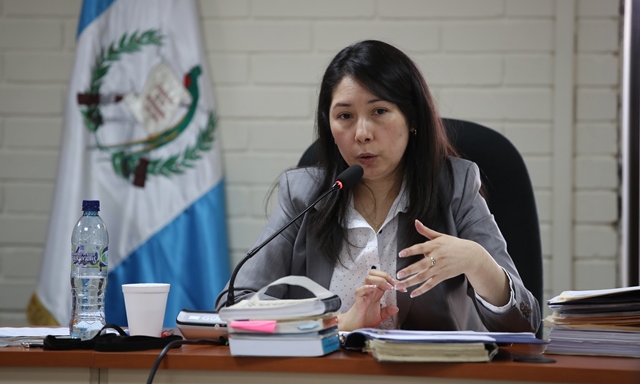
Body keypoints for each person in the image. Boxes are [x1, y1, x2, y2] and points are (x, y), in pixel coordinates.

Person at [215, 40, 541, 334]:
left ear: (412, 119)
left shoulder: (456, 187)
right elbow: (234, 308)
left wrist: (477, 262)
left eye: (380, 111)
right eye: (345, 116)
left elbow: (524, 323)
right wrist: (339, 322)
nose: (362, 133)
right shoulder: (304, 195)